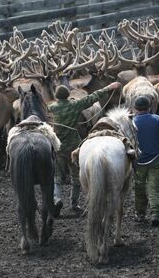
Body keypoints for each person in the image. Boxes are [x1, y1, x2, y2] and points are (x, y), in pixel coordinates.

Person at [49, 81, 121, 217]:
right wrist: (108, 87)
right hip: (74, 146)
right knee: (76, 175)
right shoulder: (75, 105)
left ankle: (56, 198)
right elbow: (92, 97)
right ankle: (74, 203)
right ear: (68, 95)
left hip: (58, 146)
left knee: (57, 176)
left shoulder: (52, 108)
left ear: (57, 97)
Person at [133, 95, 159, 227]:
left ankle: (140, 214)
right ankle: (156, 214)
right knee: (155, 188)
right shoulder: (157, 119)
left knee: (139, 188)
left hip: (138, 162)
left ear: (135, 108)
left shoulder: (132, 122)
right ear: (149, 107)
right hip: (155, 160)